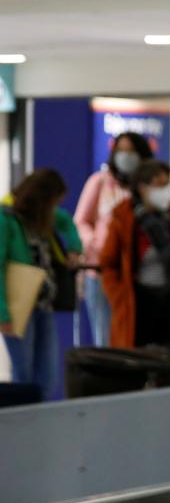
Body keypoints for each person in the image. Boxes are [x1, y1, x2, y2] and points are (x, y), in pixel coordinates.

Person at [99, 160, 170, 349]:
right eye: (158, 185)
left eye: (167, 184)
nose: (164, 190)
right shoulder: (123, 217)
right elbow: (107, 264)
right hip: (139, 303)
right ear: (142, 188)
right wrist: (118, 296)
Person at [0, 169, 83, 400]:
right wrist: (3, 312)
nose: (56, 208)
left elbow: (67, 223)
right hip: (19, 307)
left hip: (43, 305)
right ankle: (22, 426)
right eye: (54, 201)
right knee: (23, 374)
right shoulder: (6, 219)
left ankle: (42, 422)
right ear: (42, 198)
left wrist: (75, 247)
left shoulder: (44, 217)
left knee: (47, 375)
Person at [74, 131, 153, 346]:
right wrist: (96, 244)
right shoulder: (100, 182)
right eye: (121, 151)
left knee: (137, 335)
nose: (125, 156)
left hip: (137, 271)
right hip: (102, 270)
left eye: (131, 151)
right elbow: (80, 221)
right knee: (106, 335)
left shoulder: (145, 186)